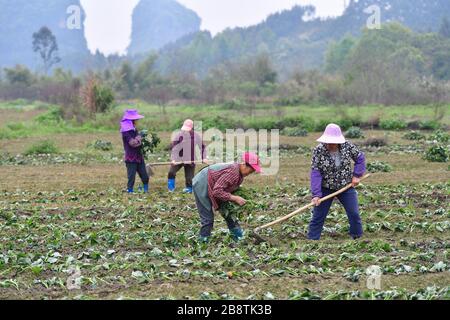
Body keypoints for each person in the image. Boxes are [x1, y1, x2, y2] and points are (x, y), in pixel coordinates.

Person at [308, 123, 366, 240]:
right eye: (328, 141)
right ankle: (312, 239)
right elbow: (316, 173)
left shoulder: (347, 146)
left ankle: (357, 237)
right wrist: (316, 195)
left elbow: (360, 158)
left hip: (346, 186)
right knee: (318, 215)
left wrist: (356, 175)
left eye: (333, 141)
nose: (331, 144)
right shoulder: (318, 151)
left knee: (354, 213)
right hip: (326, 187)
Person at [192, 152, 261, 243]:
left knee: (228, 211)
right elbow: (217, 191)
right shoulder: (233, 172)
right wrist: (235, 198)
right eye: (251, 170)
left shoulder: (239, 174)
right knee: (208, 217)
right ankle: (203, 241)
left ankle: (238, 236)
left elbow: (223, 188)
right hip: (202, 183)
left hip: (215, 185)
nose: (250, 173)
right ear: (243, 164)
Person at [168, 119, 207, 194]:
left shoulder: (196, 136)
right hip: (178, 158)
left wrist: (204, 157)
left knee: (189, 178)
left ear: (191, 128)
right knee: (171, 172)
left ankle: (189, 189)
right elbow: (175, 148)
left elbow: (202, 147)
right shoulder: (179, 135)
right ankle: (171, 188)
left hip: (191, 159)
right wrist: (173, 159)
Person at [120, 109, 149, 194]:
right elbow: (132, 143)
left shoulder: (134, 129)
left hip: (138, 156)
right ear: (131, 120)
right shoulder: (125, 132)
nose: (136, 121)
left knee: (144, 176)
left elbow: (138, 140)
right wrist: (140, 137)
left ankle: (146, 190)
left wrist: (142, 138)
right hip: (131, 157)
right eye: (135, 120)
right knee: (131, 176)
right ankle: (130, 191)